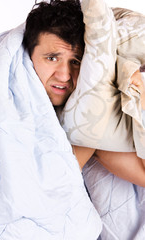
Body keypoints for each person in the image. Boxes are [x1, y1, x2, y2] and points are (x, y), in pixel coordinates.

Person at [22, 0, 145, 188]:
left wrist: (139, 96)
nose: (64, 75)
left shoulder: (95, 110)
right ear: (28, 55)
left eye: (76, 61)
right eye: (52, 58)